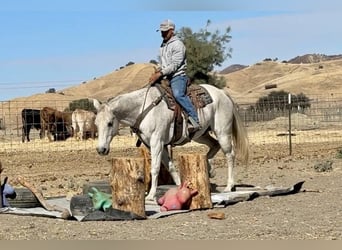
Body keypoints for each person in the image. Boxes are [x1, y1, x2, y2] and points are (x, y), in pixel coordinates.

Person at [149, 19, 201, 132]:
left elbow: (175, 65)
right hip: (166, 75)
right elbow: (163, 62)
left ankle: (194, 119)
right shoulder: (163, 45)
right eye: (161, 31)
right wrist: (158, 70)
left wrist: (160, 73)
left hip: (177, 76)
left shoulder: (178, 45)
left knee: (178, 94)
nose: (162, 34)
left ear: (172, 31)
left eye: (165, 31)